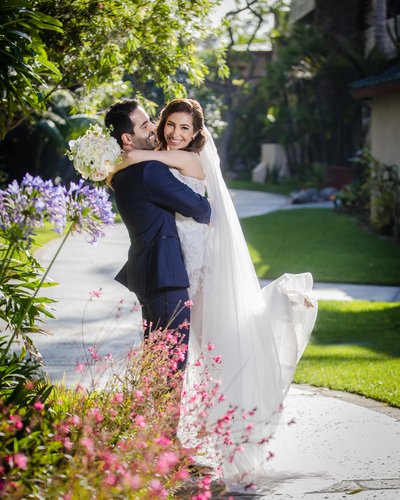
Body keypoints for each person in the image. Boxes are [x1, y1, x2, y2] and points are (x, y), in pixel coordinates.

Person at [109, 98, 318, 489]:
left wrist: (123, 159)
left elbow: (196, 203)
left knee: (200, 351)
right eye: (167, 124)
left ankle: (188, 442)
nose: (172, 132)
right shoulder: (154, 165)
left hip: (192, 267)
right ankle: (170, 444)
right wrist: (123, 160)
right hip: (177, 269)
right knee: (181, 358)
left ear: (197, 134)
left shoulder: (184, 161)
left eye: (184, 128)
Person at [104, 99, 211, 371]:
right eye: (144, 124)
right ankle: (160, 415)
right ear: (128, 137)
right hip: (165, 276)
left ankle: (146, 414)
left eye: (184, 128)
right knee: (170, 367)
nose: (154, 127)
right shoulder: (149, 170)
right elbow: (200, 208)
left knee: (155, 364)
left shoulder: (123, 173)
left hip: (147, 274)